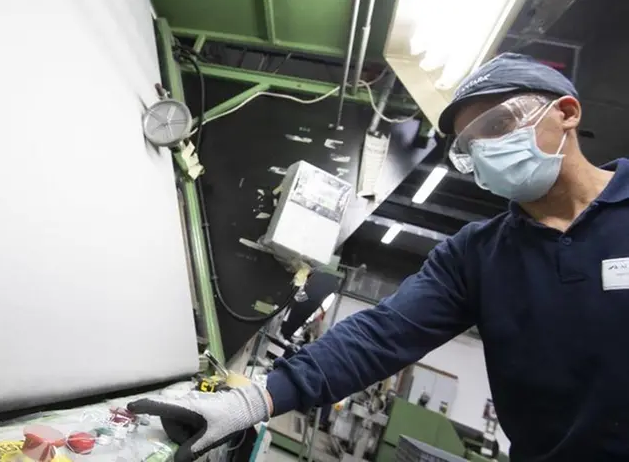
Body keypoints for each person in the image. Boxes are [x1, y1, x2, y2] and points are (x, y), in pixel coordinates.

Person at [128, 53, 629, 461]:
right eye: (471, 146)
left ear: (567, 112)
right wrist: (249, 402)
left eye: (501, 124)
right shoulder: (477, 255)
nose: (488, 150)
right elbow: (381, 335)